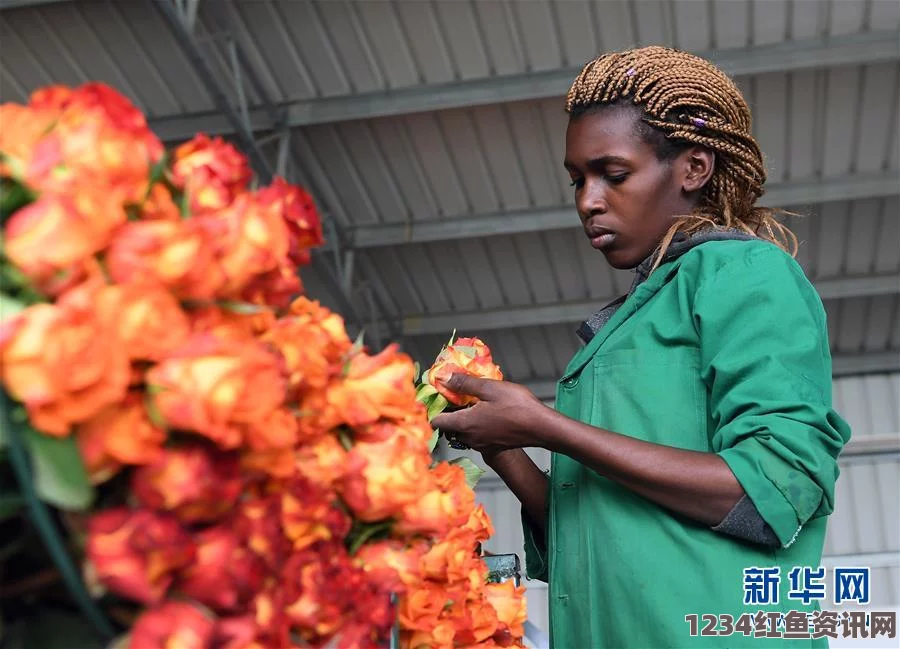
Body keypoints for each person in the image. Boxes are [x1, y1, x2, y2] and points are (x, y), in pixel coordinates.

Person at [432, 46, 851, 648]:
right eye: (578, 180)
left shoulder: (746, 275)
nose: (587, 201)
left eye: (613, 174)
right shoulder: (632, 319)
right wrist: (504, 444)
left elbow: (772, 491)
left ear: (694, 168)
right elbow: (595, 533)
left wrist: (548, 427)